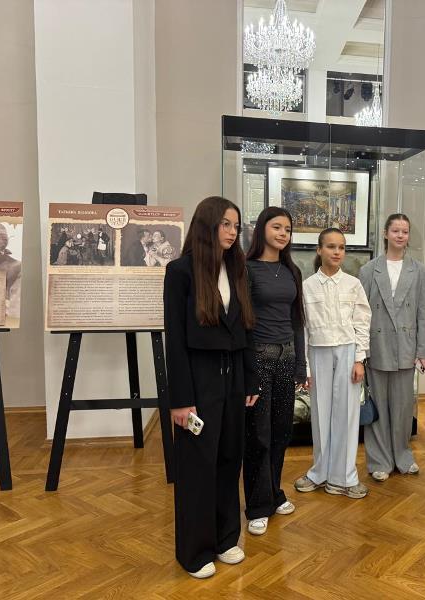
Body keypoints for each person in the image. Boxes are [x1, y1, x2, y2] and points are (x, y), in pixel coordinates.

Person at [163, 196, 260, 579]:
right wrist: (181, 400)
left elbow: (246, 329)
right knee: (197, 466)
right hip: (198, 379)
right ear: (207, 225)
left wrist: (250, 379)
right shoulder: (180, 271)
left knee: (228, 459)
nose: (232, 232)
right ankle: (195, 551)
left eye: (236, 225)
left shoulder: (237, 270)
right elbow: (175, 340)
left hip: (233, 377)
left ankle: (225, 538)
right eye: (225, 224)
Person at [294, 227, 372, 499]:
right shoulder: (306, 286)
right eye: (331, 246)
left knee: (347, 415)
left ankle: (345, 477)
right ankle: (320, 473)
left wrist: (360, 359)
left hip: (348, 351)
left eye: (341, 247)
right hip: (318, 353)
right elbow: (303, 330)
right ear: (319, 250)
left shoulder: (353, 284)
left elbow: (362, 322)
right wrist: (304, 366)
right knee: (320, 415)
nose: (337, 252)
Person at [243, 207, 307, 536]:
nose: (283, 233)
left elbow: (297, 321)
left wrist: (301, 364)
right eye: (277, 227)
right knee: (258, 435)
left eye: (288, 229)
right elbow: (243, 324)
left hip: (287, 358)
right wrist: (248, 372)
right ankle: (257, 505)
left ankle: (274, 492)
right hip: (260, 359)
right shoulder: (246, 268)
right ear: (262, 230)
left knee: (281, 432)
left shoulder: (292, 270)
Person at [358, 214, 425, 482]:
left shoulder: (419, 270)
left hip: (406, 347)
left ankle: (403, 456)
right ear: (385, 233)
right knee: (378, 405)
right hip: (377, 345)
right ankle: (379, 460)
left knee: (402, 408)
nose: (401, 235)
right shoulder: (369, 270)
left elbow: (423, 313)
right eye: (396, 231)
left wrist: (422, 351)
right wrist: (361, 351)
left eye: (405, 231)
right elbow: (361, 313)